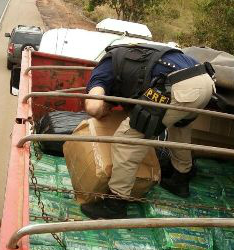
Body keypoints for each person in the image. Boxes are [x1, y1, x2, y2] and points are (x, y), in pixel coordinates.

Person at [80, 43, 216, 219]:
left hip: (180, 86)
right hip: (205, 80)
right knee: (179, 129)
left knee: (127, 138)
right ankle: (180, 179)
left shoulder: (103, 69)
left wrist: (105, 108)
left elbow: (94, 107)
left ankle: (115, 204)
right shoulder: (134, 55)